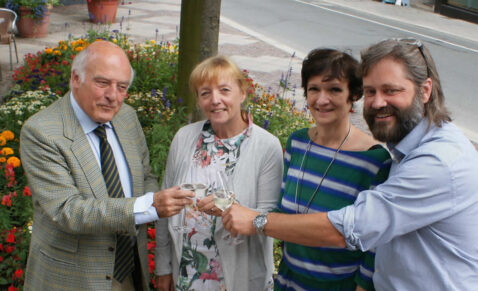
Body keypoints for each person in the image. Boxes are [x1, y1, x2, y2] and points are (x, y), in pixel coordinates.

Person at [224, 38, 478, 290]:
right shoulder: (408, 150)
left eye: (391, 90)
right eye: (371, 91)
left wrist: (258, 221)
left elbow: (350, 230)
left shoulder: (438, 161)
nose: (378, 102)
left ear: (425, 90)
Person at [20, 41, 194, 291]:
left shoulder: (126, 117)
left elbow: (145, 175)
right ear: (75, 78)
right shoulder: (42, 132)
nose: (113, 96)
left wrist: (168, 201)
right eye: (102, 83)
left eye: (122, 87)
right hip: (73, 278)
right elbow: (68, 210)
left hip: (129, 271)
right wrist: (149, 205)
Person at [222, 48, 391, 291]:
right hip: (289, 281)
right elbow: (282, 212)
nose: (322, 99)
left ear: (353, 95)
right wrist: (230, 210)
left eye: (334, 89)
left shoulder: (373, 161)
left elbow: (375, 246)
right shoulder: (298, 143)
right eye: (314, 89)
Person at [155, 55, 283, 291]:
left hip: (239, 276)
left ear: (242, 93)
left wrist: (232, 208)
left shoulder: (266, 146)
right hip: (187, 274)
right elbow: (165, 208)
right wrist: (163, 268)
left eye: (224, 90)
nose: (215, 100)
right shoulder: (184, 138)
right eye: (205, 93)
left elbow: (270, 218)